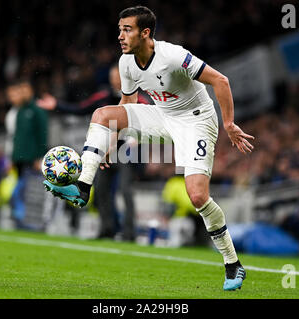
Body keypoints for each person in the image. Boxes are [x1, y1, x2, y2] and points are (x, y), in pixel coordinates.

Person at [43, 6, 254, 291]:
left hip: (196, 122)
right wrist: (110, 144)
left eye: (126, 29)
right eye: (119, 29)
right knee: (102, 116)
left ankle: (232, 264)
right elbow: (128, 106)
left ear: (145, 33)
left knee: (197, 196)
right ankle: (82, 188)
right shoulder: (126, 62)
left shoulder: (173, 56)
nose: (120, 35)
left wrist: (228, 123)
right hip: (162, 117)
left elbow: (221, 80)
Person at [37, 65, 148, 241]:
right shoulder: (103, 97)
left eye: (117, 77)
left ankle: (129, 233)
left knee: (126, 191)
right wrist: (57, 105)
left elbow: (149, 122)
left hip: (127, 154)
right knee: (101, 191)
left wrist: (136, 139)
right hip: (104, 154)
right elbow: (81, 108)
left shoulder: (139, 100)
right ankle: (107, 229)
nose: (114, 80)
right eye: (112, 77)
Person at [6, 79, 48, 229]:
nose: (23, 93)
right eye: (21, 90)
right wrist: (12, 157)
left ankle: (29, 220)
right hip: (19, 158)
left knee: (28, 191)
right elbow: (16, 137)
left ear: (31, 91)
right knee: (22, 190)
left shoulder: (37, 110)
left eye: (25, 90)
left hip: (31, 158)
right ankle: (21, 220)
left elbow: (43, 134)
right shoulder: (20, 111)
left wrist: (40, 157)